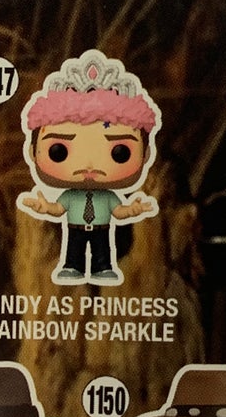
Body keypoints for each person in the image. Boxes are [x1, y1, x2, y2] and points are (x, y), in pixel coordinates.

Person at [16, 50, 160, 286]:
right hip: (74, 227)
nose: (90, 166)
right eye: (59, 151)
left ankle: (103, 267)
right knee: (74, 250)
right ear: (34, 153)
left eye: (119, 152)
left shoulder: (108, 196)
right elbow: (58, 209)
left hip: (103, 228)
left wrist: (132, 210)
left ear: (145, 155)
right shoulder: (70, 196)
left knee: (103, 250)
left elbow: (118, 212)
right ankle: (72, 266)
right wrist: (45, 208)